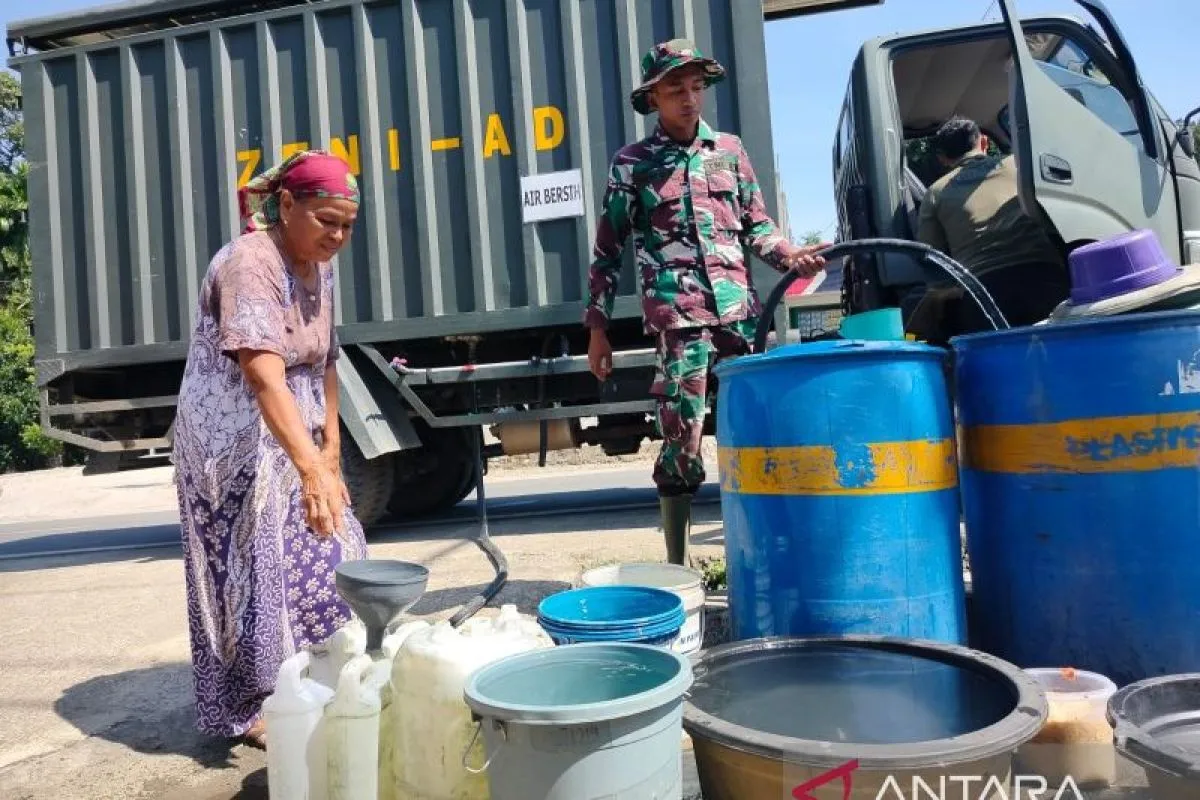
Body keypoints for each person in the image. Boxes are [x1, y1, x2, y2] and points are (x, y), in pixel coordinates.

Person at [583, 39, 826, 566]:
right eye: (676, 89)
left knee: (760, 431)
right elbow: (607, 251)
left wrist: (791, 257)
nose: (690, 98)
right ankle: (679, 566)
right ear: (653, 98)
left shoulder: (729, 152)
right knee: (682, 439)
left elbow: (758, 226)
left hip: (740, 317)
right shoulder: (633, 165)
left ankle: (767, 556)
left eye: (696, 87)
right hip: (679, 322)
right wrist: (597, 329)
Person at [171, 150, 368, 748]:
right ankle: (254, 706)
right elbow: (262, 376)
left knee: (334, 549)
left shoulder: (319, 264)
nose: (337, 236)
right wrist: (311, 470)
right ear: (286, 205)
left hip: (292, 427)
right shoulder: (249, 263)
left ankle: (310, 677)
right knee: (250, 573)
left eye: (347, 226)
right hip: (230, 442)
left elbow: (327, 358)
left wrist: (330, 451)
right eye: (327, 220)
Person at [911, 117, 1069, 344]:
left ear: (942, 158)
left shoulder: (935, 193)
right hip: (1047, 282)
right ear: (984, 142)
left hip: (984, 296)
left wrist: (946, 292)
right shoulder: (1020, 166)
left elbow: (930, 258)